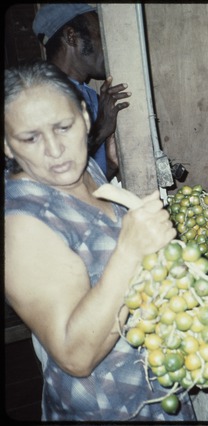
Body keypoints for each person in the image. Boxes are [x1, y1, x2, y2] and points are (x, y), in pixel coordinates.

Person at [3, 61, 196, 421]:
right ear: (7, 145)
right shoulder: (20, 224)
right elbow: (75, 356)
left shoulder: (81, 169)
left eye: (64, 127)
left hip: (158, 390)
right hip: (109, 407)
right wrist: (131, 249)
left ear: (85, 118)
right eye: (30, 138)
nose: (55, 150)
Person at [33, 3, 131, 181]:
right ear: (72, 37)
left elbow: (92, 180)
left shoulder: (91, 96)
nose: (107, 46)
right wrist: (101, 128)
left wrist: (111, 162)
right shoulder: (39, 97)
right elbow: (55, 176)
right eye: (100, 36)